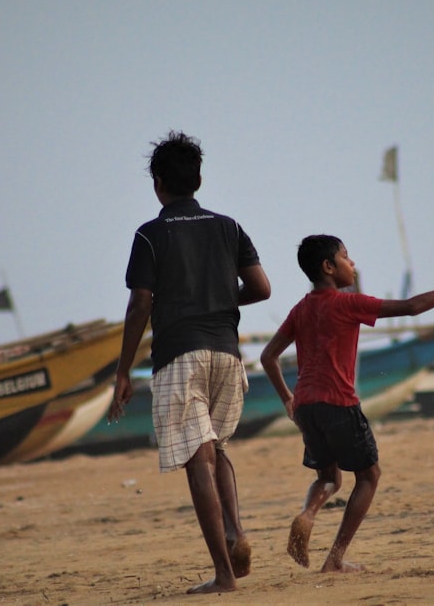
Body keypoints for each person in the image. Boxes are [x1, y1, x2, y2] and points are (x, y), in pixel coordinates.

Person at [260, 235, 434, 573]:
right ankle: (335, 558)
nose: (352, 264)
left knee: (328, 477)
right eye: (346, 257)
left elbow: (269, 357)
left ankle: (308, 514)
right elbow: (411, 307)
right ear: (328, 267)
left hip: (307, 406)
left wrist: (287, 400)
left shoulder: (301, 308)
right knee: (368, 476)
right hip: (339, 403)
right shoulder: (347, 303)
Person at [108, 130, 271, 594]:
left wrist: (123, 370)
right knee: (216, 448)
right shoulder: (229, 227)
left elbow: (140, 304)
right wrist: (220, 301)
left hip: (179, 356)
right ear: (198, 179)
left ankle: (223, 574)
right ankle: (236, 529)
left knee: (196, 459)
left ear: (158, 183)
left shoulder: (151, 234)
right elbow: (261, 288)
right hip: (226, 353)